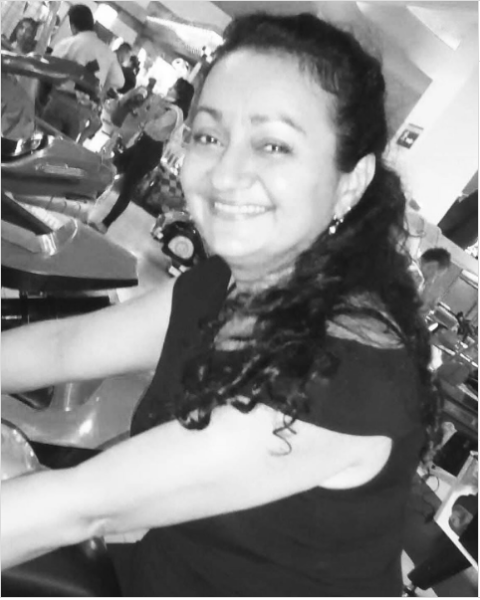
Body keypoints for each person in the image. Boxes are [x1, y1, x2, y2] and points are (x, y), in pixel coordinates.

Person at [1, 12, 443, 597]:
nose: (226, 174)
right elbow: (65, 346)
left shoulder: (348, 374)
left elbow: (82, 508)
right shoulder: (232, 281)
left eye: (274, 145)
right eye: (209, 137)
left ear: (350, 183)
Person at [90, 77, 194, 232]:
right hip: (143, 145)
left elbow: (155, 126)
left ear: (179, 94)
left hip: (149, 151)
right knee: (112, 167)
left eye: (173, 88)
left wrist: (155, 108)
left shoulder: (174, 112)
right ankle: (91, 201)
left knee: (127, 187)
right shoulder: (168, 107)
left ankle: (105, 223)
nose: (169, 89)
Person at [41, 4, 124, 140]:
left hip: (60, 101)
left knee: (43, 141)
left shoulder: (68, 43)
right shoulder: (108, 53)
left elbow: (49, 69)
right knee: (64, 148)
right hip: (84, 111)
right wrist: (104, 84)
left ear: (73, 26)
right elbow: (119, 82)